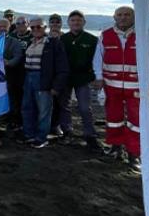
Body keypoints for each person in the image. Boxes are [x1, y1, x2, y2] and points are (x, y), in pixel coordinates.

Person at [92, 6, 141, 171]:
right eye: (119, 15)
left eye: (127, 14)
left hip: (136, 86)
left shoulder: (143, 34)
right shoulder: (106, 35)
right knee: (113, 119)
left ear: (134, 17)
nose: (123, 17)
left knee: (137, 122)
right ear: (114, 17)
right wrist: (98, 77)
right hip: (112, 85)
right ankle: (115, 148)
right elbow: (98, 57)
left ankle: (134, 154)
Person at [19, 18, 69, 149]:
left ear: (45, 27)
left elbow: (62, 67)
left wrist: (56, 86)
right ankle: (29, 134)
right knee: (27, 107)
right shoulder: (30, 43)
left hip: (43, 79)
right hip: (28, 77)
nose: (35, 30)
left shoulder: (53, 43)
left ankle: (41, 138)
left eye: (39, 27)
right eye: (33, 27)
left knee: (44, 110)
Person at [59, 10, 101, 152]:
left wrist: (97, 76)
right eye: (73, 20)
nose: (76, 23)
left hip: (84, 78)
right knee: (64, 105)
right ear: (68, 23)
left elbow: (98, 60)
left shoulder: (92, 40)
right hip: (65, 78)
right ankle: (67, 132)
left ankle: (90, 135)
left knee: (84, 107)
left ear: (84, 22)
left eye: (79, 20)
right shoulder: (62, 39)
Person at [5, 16, 31, 133]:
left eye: (23, 22)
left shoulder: (33, 36)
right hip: (12, 72)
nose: (20, 25)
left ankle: (23, 121)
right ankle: (13, 120)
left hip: (28, 71)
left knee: (24, 99)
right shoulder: (12, 37)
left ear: (28, 24)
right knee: (12, 97)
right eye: (18, 23)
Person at [47, 13, 66, 138]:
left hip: (62, 73)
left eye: (57, 22)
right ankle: (48, 125)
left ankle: (57, 125)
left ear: (61, 24)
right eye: (52, 22)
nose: (55, 24)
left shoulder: (66, 37)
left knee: (61, 101)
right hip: (47, 74)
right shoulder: (44, 36)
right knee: (47, 101)